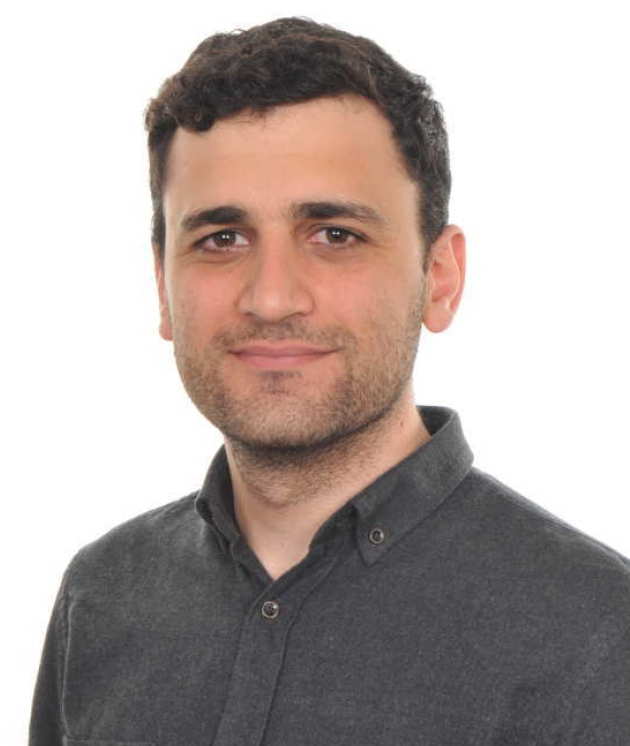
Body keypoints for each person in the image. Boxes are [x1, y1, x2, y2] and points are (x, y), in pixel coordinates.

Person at [30, 16, 629, 746]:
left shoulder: (598, 631)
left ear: (440, 277)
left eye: (335, 235)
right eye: (222, 238)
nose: (271, 298)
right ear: (163, 287)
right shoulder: (101, 593)